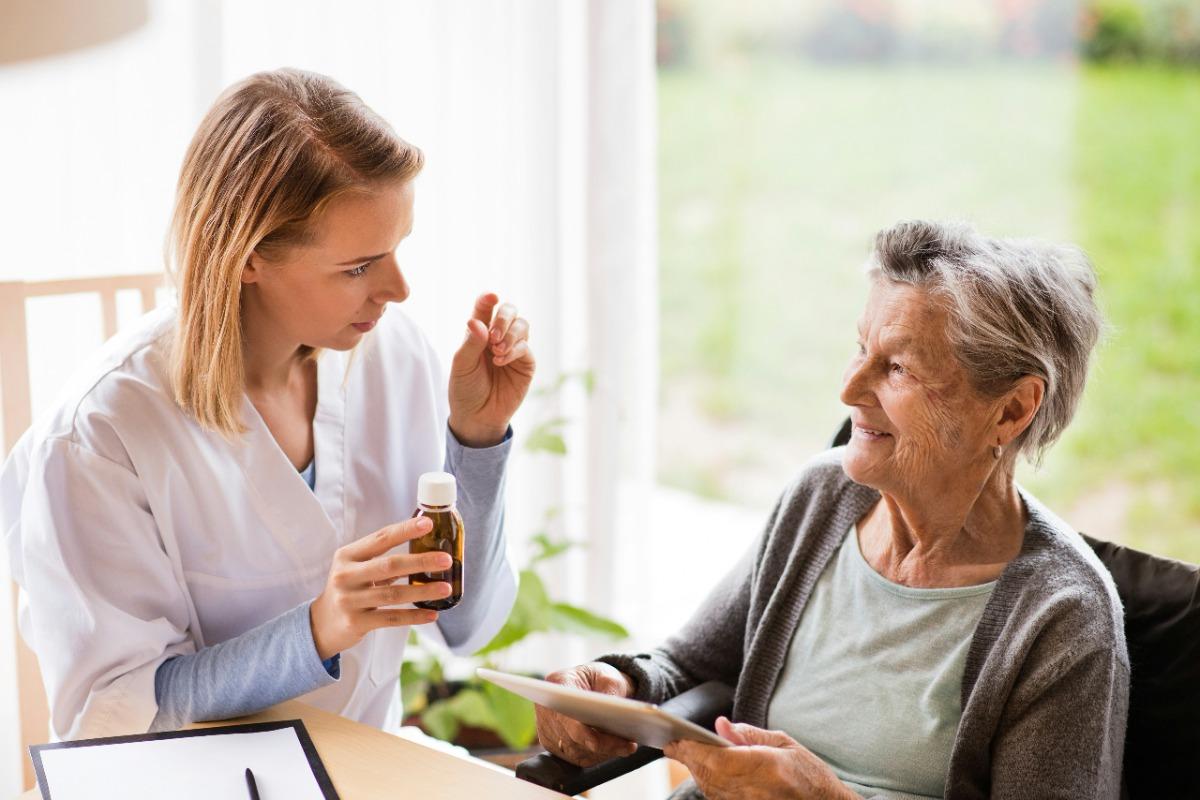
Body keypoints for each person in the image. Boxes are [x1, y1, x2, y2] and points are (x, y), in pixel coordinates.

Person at [1, 68, 534, 740]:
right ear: (248, 256)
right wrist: (316, 630)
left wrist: (478, 439)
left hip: (368, 770)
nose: (398, 288)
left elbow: (467, 625)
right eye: (359, 267)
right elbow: (112, 721)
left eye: (397, 250)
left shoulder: (394, 358)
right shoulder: (102, 437)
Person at [535, 220, 1128, 799]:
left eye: (897, 367)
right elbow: (690, 666)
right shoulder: (822, 497)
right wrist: (619, 684)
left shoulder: (1064, 617)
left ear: (1011, 411)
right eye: (861, 348)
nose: (849, 389)